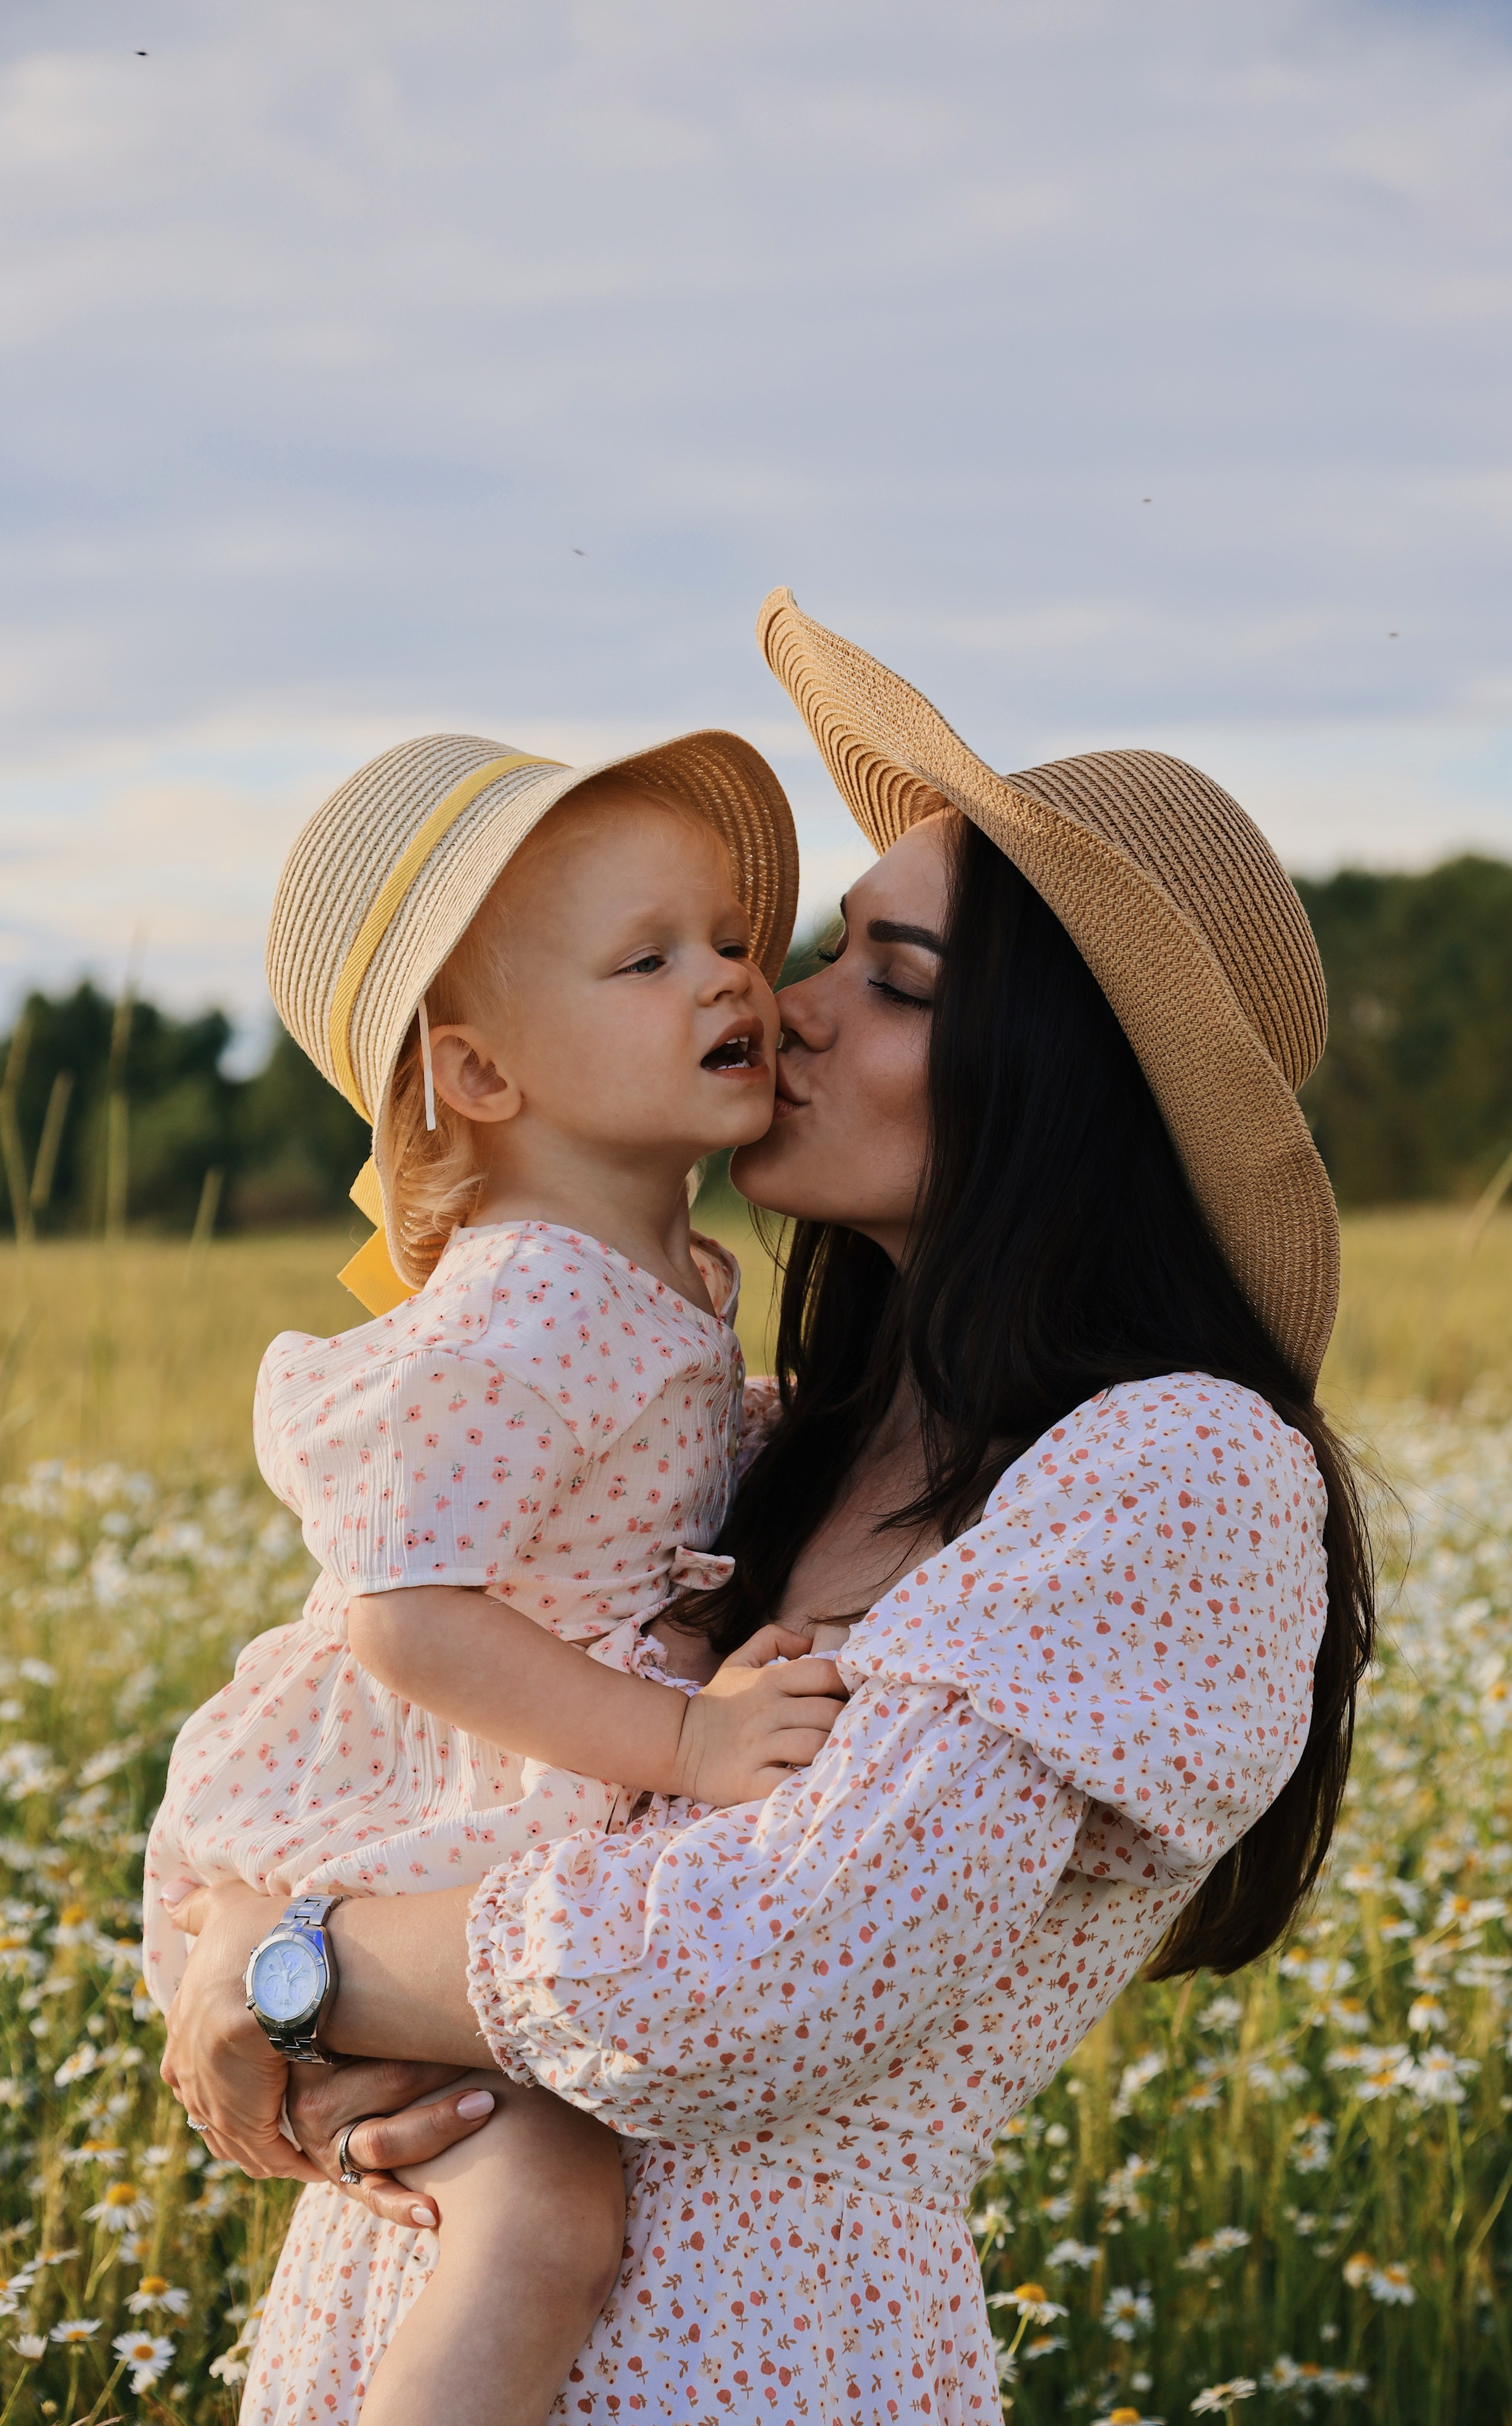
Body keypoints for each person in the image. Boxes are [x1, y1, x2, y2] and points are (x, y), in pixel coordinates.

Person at [162, 594, 1375, 2426]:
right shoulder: (751, 1441)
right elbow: (383, 1696)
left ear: (1064, 1092)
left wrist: (293, 1963)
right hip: (397, 2305)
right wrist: (234, 1947)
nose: (777, 1003)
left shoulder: (1177, 1469)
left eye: (894, 980)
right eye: (817, 950)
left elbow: (754, 1980)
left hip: (756, 2367)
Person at [142, 727, 846, 2426]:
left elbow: (626, 1483)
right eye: (647, 958)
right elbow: (406, 1615)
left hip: (500, 1818)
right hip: (397, 1816)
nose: (731, 980)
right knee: (544, 2213)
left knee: (538, 2189)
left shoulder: (656, 1270)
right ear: (480, 1075)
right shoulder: (518, 1304)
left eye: (733, 939)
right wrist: (677, 1748)